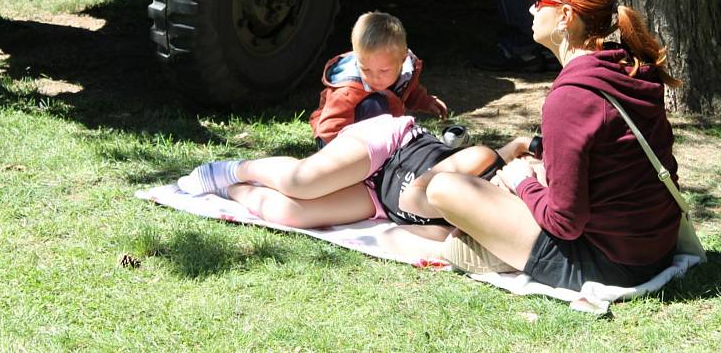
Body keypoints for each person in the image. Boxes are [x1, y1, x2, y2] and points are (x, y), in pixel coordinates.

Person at [406, 0, 682, 290]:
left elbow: (565, 223)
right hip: (655, 249)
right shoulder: (629, 67)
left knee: (443, 188)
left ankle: (491, 248)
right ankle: (491, 241)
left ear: (565, 16)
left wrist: (523, 183)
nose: (531, 10)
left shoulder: (572, 97)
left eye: (540, 2)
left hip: (604, 263)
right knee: (522, 175)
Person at [177, 114, 528, 233]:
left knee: (290, 212)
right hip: (392, 149)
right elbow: (415, 198)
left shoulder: (485, 221)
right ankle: (233, 169)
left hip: (379, 199)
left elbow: (419, 236)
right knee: (302, 182)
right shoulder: (483, 162)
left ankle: (233, 189)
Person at [309, 11, 447, 148]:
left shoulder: (405, 71)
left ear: (403, 59)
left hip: (377, 135)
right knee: (374, 104)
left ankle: (387, 148)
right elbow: (329, 131)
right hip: (336, 137)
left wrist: (425, 101)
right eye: (366, 69)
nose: (374, 77)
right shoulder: (346, 90)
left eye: (384, 70)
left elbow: (408, 89)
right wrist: (345, 158)